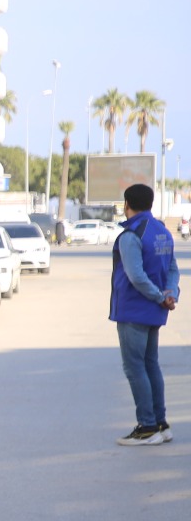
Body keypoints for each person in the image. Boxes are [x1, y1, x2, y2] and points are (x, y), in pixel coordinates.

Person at [111, 183, 179, 445]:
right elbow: (172, 268)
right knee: (151, 365)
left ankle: (147, 426)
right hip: (155, 310)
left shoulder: (131, 235)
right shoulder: (162, 231)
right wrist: (169, 293)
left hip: (133, 309)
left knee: (135, 367)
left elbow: (136, 276)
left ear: (127, 204)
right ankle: (161, 423)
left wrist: (161, 296)